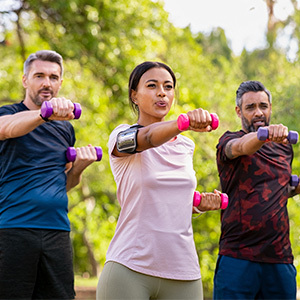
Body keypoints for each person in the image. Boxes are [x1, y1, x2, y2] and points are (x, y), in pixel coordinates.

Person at [96, 61, 224, 300]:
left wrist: (196, 204)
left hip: (183, 270)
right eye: (152, 85)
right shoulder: (121, 136)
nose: (162, 92)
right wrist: (181, 123)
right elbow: (148, 138)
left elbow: (166, 195)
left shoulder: (186, 145)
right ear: (134, 95)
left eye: (168, 86)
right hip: (129, 267)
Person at [0, 50, 99, 299]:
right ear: (25, 80)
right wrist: (45, 114)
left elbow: (63, 183)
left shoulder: (65, 128)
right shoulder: (7, 114)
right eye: (39, 76)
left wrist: (79, 167)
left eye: (54, 77)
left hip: (57, 230)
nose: (47, 83)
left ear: (61, 83)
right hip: (13, 228)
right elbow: (9, 129)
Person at [213, 80, 298, 299]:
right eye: (251, 108)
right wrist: (265, 134)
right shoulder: (229, 141)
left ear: (270, 108)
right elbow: (242, 147)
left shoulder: (284, 147)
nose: (258, 112)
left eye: (263, 106)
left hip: (279, 259)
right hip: (237, 257)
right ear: (239, 111)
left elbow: (281, 189)